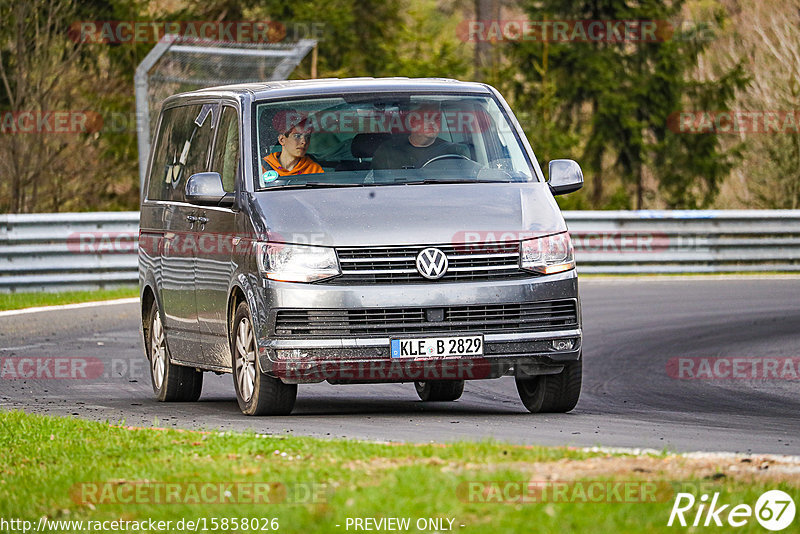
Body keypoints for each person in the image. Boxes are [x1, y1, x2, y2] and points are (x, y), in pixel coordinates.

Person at [371, 103, 469, 170]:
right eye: (427, 117)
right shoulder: (387, 151)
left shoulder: (454, 151)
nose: (432, 123)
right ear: (412, 122)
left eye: (437, 118)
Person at [261, 115, 324, 180]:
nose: (304, 142)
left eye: (307, 137)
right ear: (282, 140)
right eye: (297, 136)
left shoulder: (314, 170)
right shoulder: (262, 167)